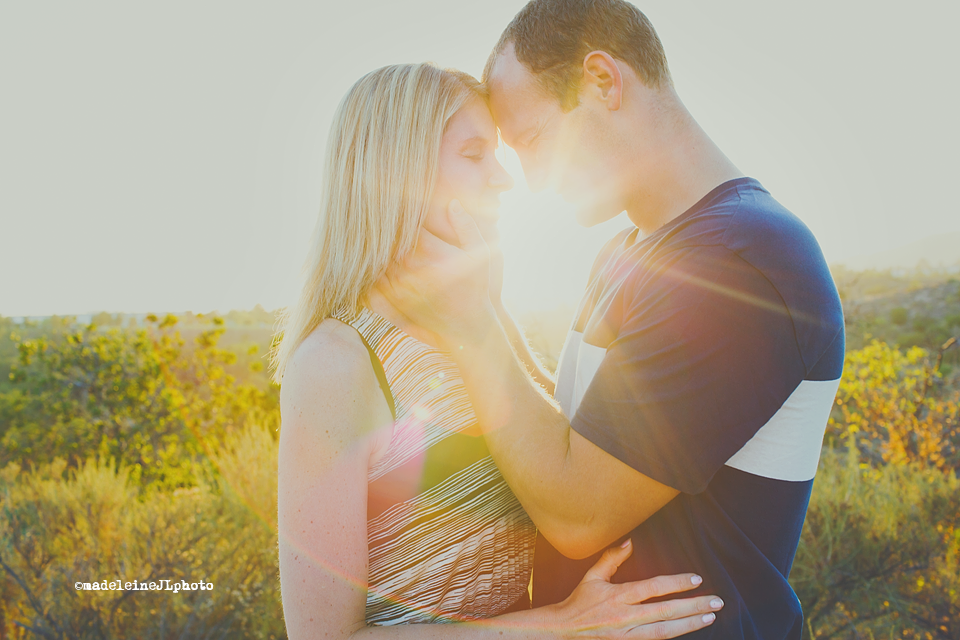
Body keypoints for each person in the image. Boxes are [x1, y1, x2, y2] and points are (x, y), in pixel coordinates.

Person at [376, 1, 846, 639]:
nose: (533, 182)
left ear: (603, 81)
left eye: (534, 141)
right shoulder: (627, 252)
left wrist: (475, 329)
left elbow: (577, 516)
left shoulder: (745, 260)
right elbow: (583, 434)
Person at [273, 63, 724, 639]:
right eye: (473, 154)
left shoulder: (474, 320)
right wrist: (559, 626)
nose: (503, 178)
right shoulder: (338, 362)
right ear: (398, 171)